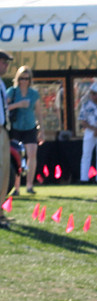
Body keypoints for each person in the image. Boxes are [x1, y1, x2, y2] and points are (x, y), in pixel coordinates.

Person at [6, 64, 42, 195]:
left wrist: (41, 129)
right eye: (21, 78)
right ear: (18, 78)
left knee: (32, 154)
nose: (24, 81)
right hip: (15, 127)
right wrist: (18, 104)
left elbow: (39, 112)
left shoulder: (34, 93)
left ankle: (29, 185)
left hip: (30, 127)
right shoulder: (12, 91)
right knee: (16, 157)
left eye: (26, 78)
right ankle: (16, 187)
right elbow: (4, 108)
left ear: (30, 79)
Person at [0, 51, 11, 223]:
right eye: (4, 62)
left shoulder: (1, 83)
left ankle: (0, 211)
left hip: (3, 129)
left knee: (4, 171)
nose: (6, 66)